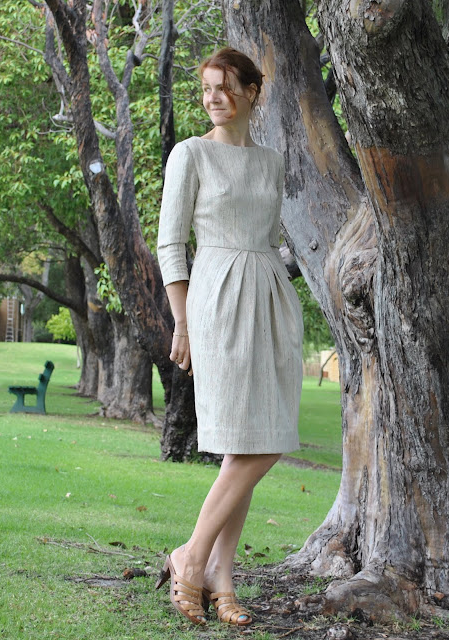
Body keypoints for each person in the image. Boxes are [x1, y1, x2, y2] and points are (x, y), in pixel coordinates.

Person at [155, 47, 303, 627]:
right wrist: (183, 321)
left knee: (257, 439)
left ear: (252, 92)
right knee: (251, 443)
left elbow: (271, 240)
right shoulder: (190, 154)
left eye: (225, 87)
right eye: (207, 88)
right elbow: (171, 245)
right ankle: (193, 558)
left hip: (270, 299)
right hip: (215, 299)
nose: (214, 98)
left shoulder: (271, 162)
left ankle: (221, 573)